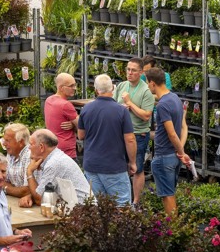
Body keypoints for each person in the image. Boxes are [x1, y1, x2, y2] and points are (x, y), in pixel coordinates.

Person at [77, 74, 136, 206]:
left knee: (98, 206)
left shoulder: (86, 109)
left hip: (91, 164)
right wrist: (132, 162)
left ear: (96, 90)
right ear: (113, 89)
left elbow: (81, 135)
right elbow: (130, 139)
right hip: (114, 166)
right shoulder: (121, 111)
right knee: (122, 205)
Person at [145, 67, 190, 214]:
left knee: (167, 195)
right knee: (170, 192)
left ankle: (173, 226)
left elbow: (171, 134)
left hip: (164, 156)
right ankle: (174, 224)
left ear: (152, 83)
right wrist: (181, 151)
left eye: (147, 83)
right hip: (173, 157)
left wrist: (181, 152)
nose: (147, 87)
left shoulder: (162, 105)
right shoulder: (175, 98)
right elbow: (183, 128)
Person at [113, 57, 154, 204]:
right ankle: (120, 200)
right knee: (119, 167)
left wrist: (130, 103)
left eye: (133, 70)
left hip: (138, 135)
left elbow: (146, 115)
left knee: (137, 168)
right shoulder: (121, 86)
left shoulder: (146, 91)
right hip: (120, 134)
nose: (130, 73)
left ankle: (136, 202)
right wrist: (121, 108)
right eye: (128, 69)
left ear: (141, 72)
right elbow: (113, 105)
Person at [18, 129, 90, 208]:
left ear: (41, 147)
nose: (29, 148)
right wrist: (31, 196)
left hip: (83, 210)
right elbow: (40, 191)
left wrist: (29, 172)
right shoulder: (50, 158)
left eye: (31, 144)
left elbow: (41, 200)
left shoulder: (54, 163)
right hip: (74, 208)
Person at [44, 73, 79, 159]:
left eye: (75, 85)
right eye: (71, 86)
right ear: (61, 88)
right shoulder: (65, 105)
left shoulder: (49, 100)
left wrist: (72, 124)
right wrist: (74, 124)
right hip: (67, 152)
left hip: (52, 149)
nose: (74, 88)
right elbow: (82, 126)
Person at [1, 123, 31, 198]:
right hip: (15, 199)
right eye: (4, 140)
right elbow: (2, 181)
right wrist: (15, 190)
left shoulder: (30, 155)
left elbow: (26, 191)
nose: (4, 144)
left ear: (21, 142)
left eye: (8, 140)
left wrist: (6, 188)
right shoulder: (11, 152)